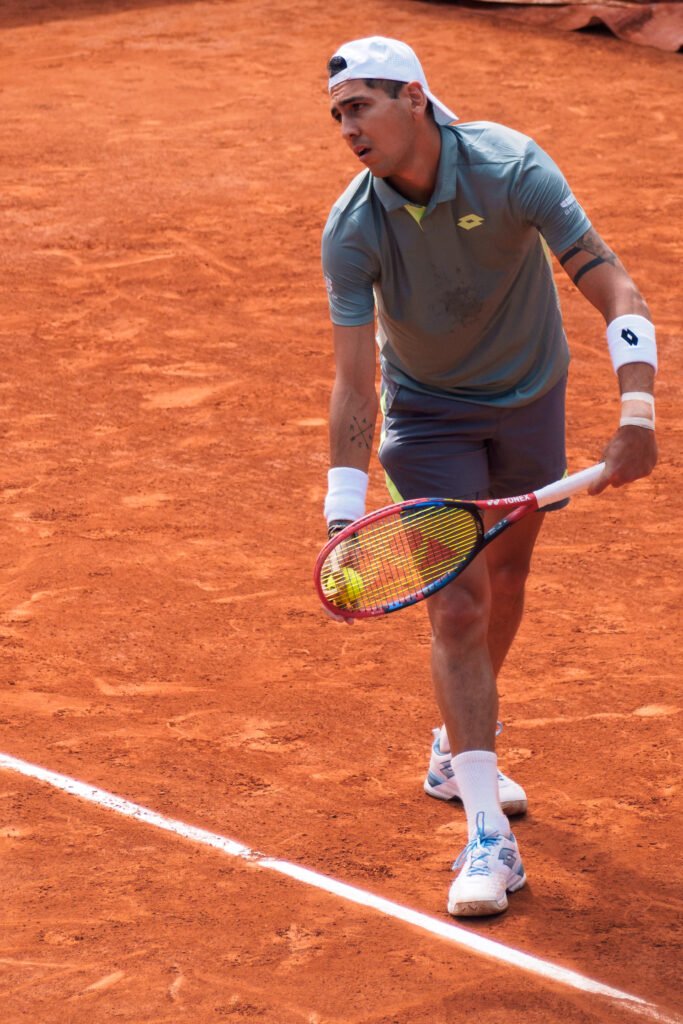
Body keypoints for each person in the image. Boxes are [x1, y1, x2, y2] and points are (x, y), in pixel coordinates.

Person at [319, 36, 657, 917]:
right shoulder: (353, 230)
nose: (347, 126)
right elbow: (356, 381)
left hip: (529, 400)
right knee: (458, 604)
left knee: (506, 581)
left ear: (416, 99)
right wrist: (342, 510)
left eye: (362, 104)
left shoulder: (512, 168)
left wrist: (637, 413)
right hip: (426, 418)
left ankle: (450, 748)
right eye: (338, 113)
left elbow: (614, 287)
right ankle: (485, 837)